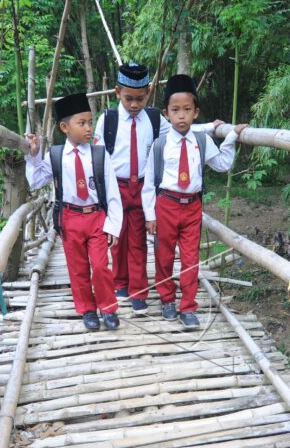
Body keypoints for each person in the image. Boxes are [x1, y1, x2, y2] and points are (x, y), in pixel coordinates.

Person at [93, 62, 220, 316]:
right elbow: (96, 153)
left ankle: (139, 291)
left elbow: (182, 129)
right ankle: (121, 283)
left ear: (148, 93)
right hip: (115, 186)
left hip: (142, 185)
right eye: (128, 98)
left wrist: (210, 127)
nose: (134, 104)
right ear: (117, 92)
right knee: (116, 238)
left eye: (140, 98)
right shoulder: (108, 119)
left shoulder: (153, 119)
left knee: (138, 239)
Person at [141, 74, 248, 330]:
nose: (181, 116)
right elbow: (148, 184)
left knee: (190, 259)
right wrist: (150, 215)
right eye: (175, 110)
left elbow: (222, 164)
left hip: (191, 207)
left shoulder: (202, 141)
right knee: (164, 256)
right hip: (165, 204)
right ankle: (167, 299)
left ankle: (188, 306)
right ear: (166, 114)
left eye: (187, 110)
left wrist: (231, 137)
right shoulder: (160, 145)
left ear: (195, 112)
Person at [25, 92, 123, 331]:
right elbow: (36, 181)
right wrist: (34, 155)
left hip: (96, 216)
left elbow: (112, 192)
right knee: (77, 267)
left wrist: (113, 225)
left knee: (100, 266)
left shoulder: (100, 155)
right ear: (64, 127)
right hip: (69, 218)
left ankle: (108, 307)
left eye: (90, 122)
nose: (88, 128)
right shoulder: (56, 156)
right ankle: (87, 310)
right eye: (82, 123)